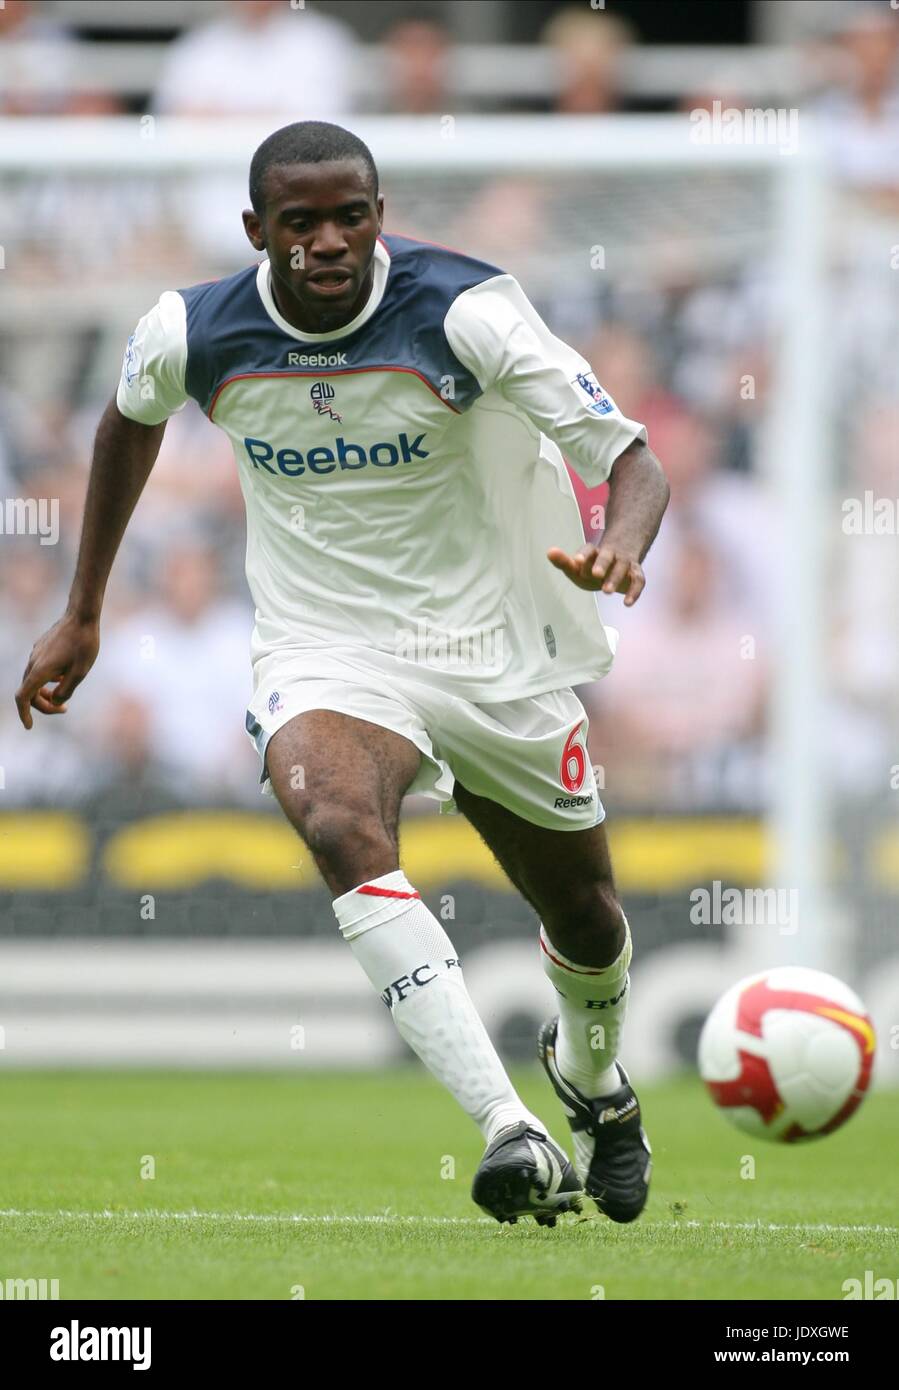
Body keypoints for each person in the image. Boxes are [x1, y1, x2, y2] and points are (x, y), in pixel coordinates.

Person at [16, 121, 669, 1227]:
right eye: (300, 222)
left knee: (590, 918)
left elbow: (630, 456)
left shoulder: (464, 309)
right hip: (326, 645)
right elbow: (125, 425)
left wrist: (623, 546)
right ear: (255, 230)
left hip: (490, 652)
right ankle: (505, 1127)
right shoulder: (193, 328)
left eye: (350, 215)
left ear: (379, 210)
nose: (328, 241)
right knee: (329, 813)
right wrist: (81, 612)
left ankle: (595, 1084)